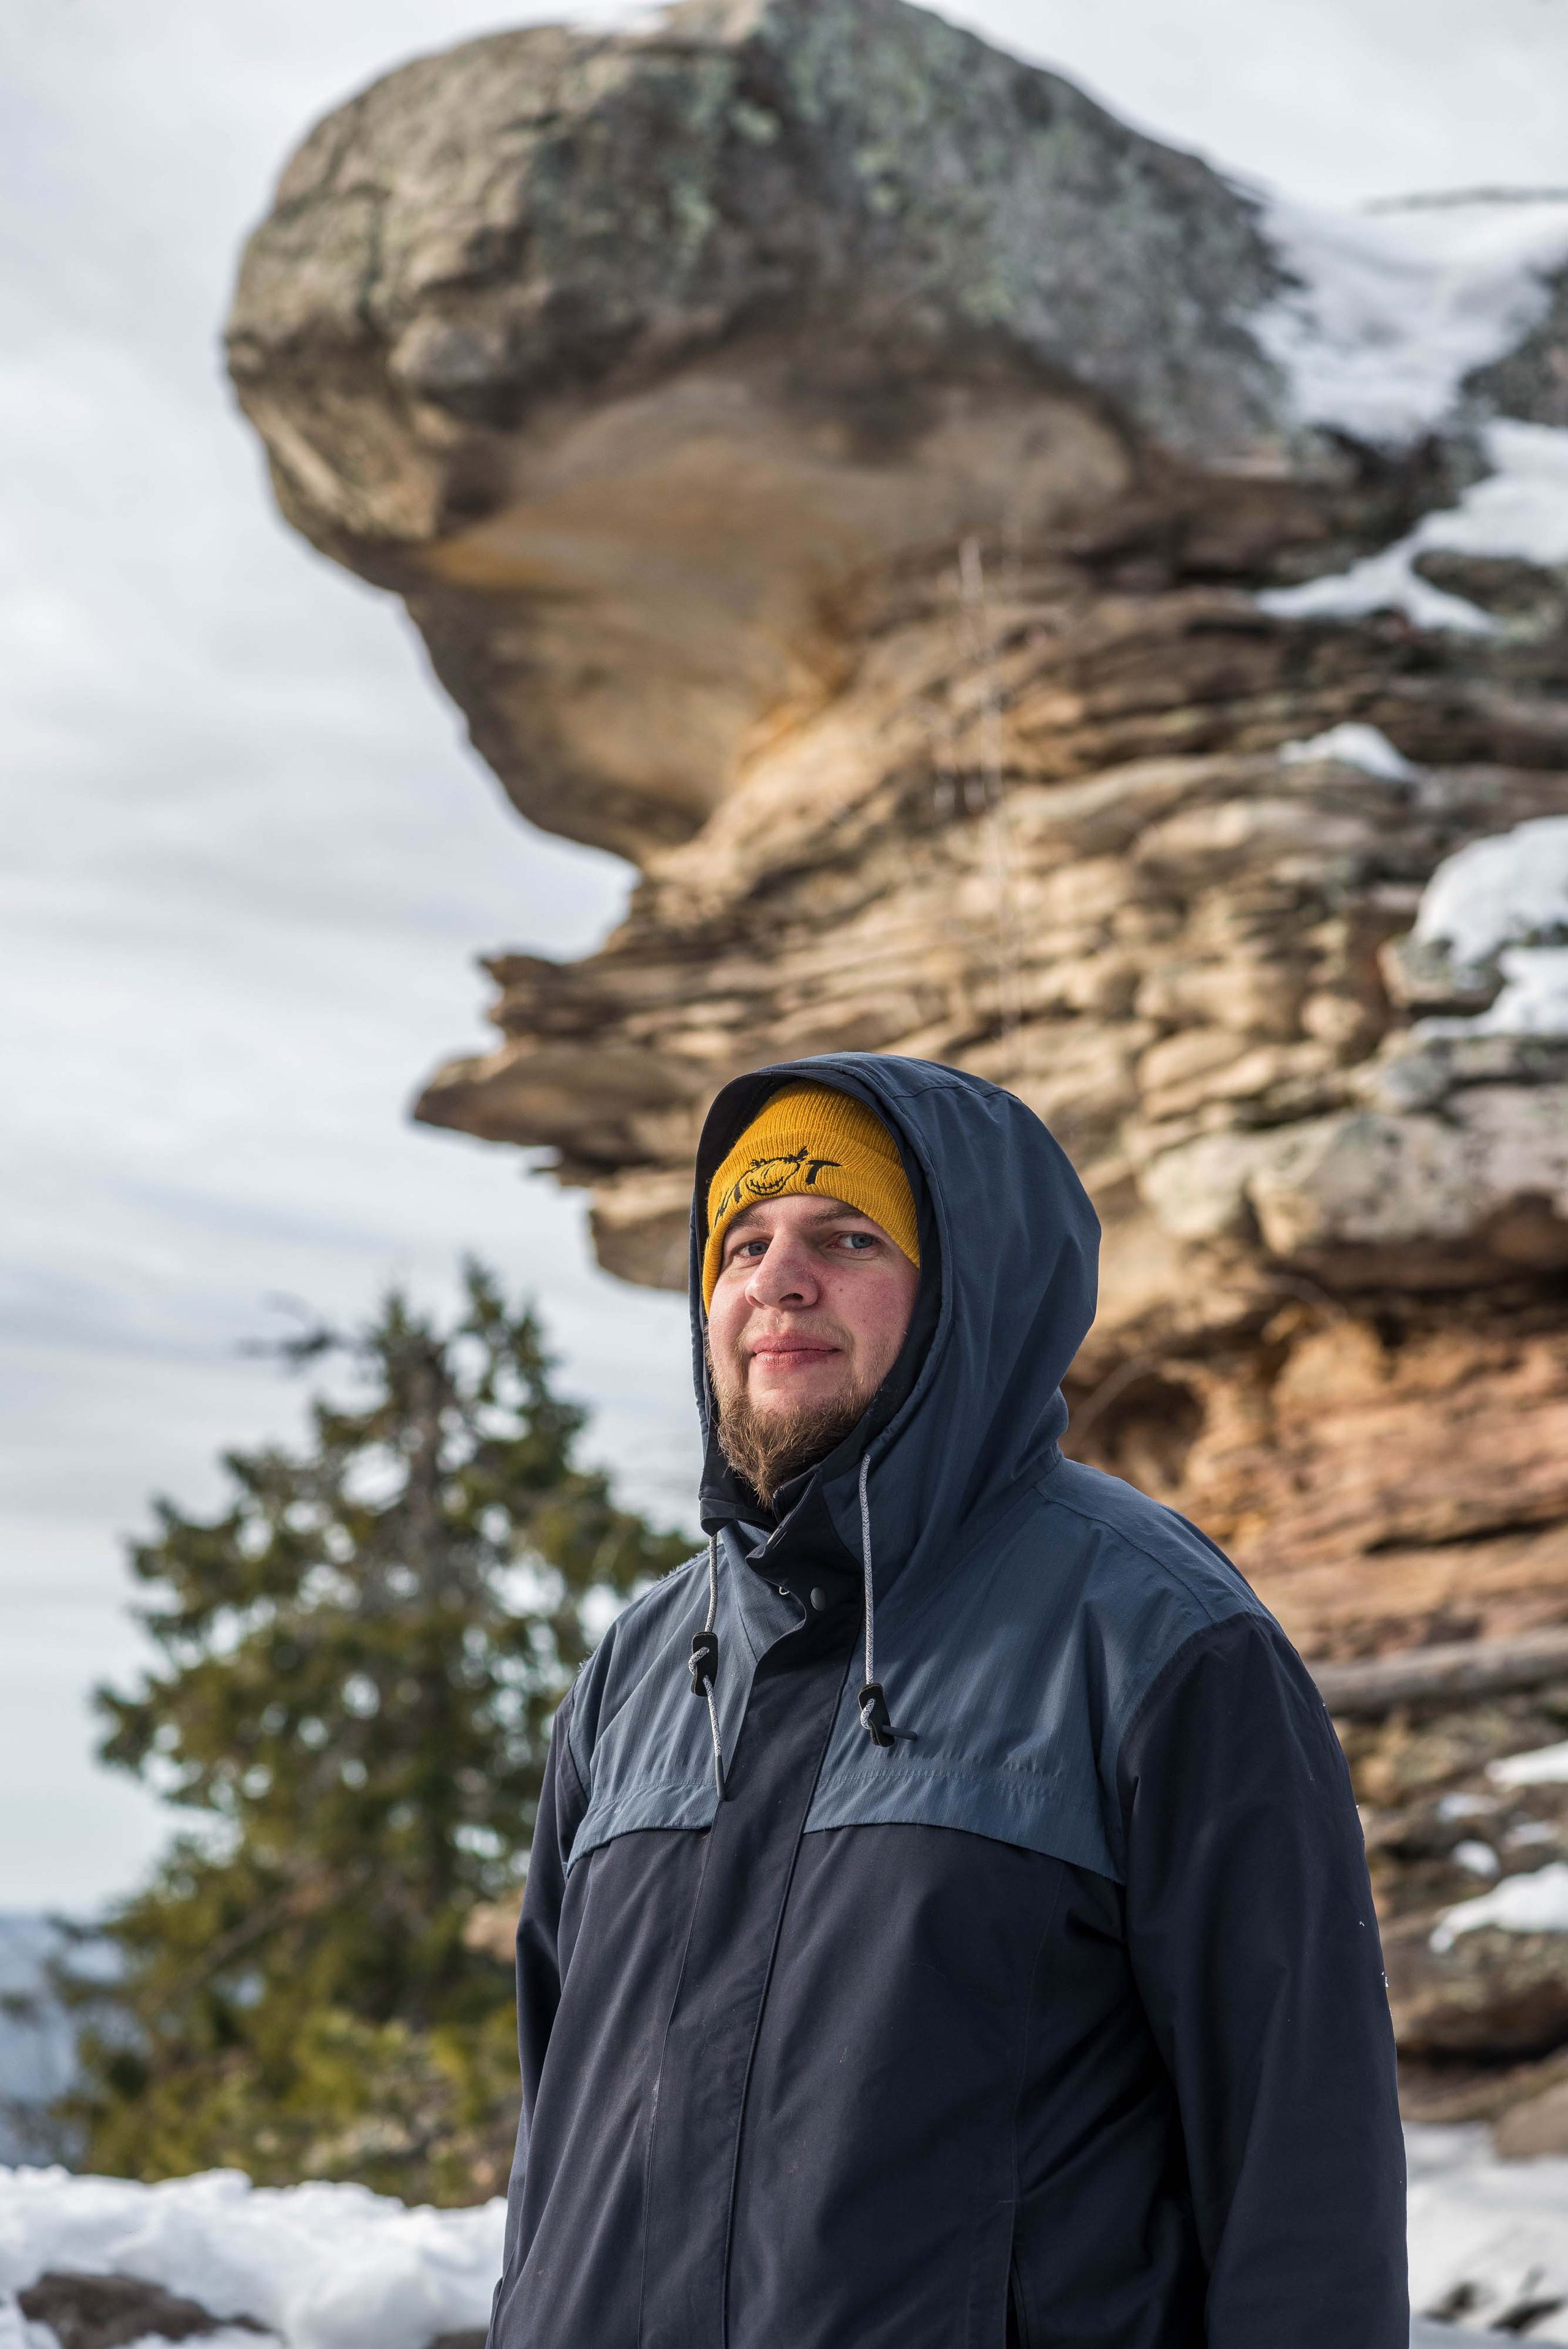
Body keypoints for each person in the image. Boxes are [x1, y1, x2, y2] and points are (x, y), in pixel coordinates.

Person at [488, 1054, 1407, 2349]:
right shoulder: (633, 1673)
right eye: (742, 1243)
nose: (776, 1280)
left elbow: (1302, 2175)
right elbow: (551, 2166)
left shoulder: (1155, 1638)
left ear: (969, 1290)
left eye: (847, 1236)